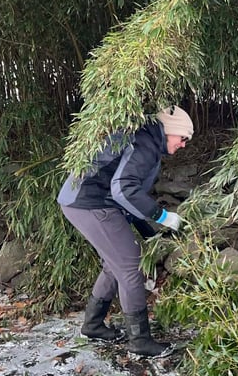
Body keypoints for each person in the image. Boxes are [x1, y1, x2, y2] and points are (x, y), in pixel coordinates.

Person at [57, 105, 194, 358]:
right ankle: (139, 341)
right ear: (170, 130)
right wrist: (162, 216)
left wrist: (151, 232)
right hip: (89, 202)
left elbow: (128, 198)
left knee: (114, 264)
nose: (184, 144)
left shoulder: (146, 140)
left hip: (86, 200)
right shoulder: (145, 143)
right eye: (183, 137)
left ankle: (93, 325)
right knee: (130, 266)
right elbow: (123, 189)